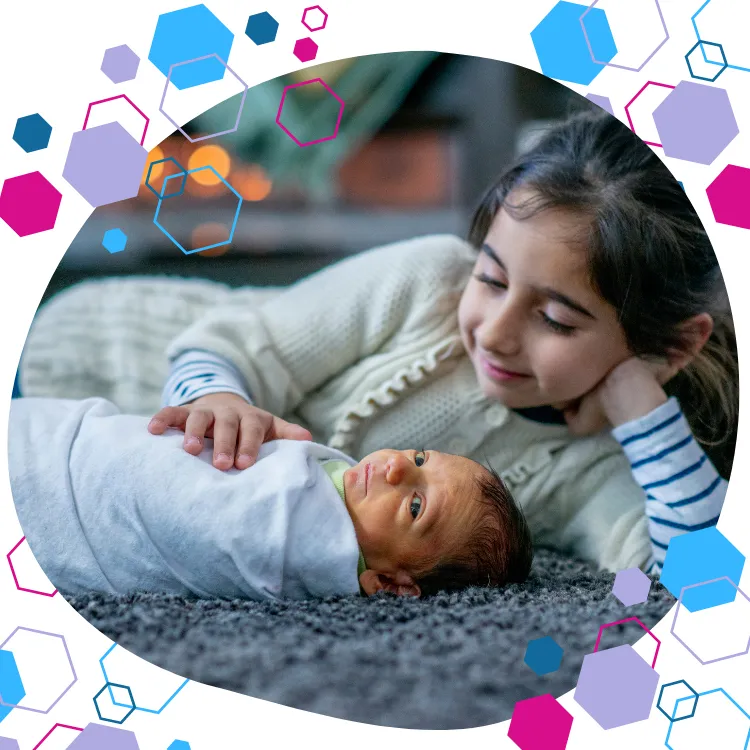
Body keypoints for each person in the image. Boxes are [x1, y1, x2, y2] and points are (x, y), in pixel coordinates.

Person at [18, 109, 737, 576]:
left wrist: (640, 406)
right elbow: (234, 342)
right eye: (491, 278)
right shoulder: (428, 280)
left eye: (555, 319)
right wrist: (216, 397)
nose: (493, 330)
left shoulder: (595, 468)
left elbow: (698, 577)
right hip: (92, 357)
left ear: (668, 348)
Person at [8, 396, 532, 601]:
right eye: (420, 458)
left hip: (54, 494)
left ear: (392, 584)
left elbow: (193, 516)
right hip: (74, 436)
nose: (396, 465)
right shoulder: (339, 484)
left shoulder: (298, 539)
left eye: (415, 506)